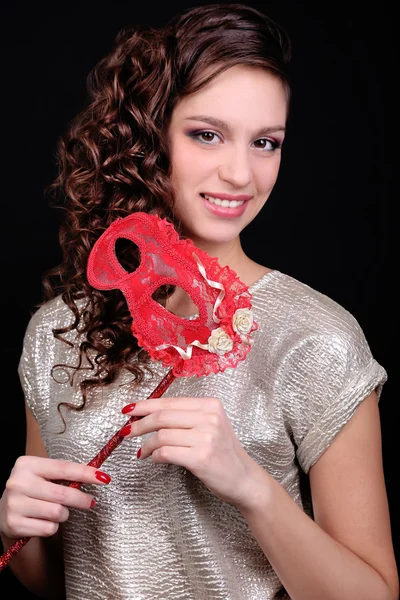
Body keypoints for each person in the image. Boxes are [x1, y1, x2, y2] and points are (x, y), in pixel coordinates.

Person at [0, 3, 397, 599]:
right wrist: (19, 526)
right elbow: (60, 580)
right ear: (149, 134)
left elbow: (373, 593)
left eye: (266, 142)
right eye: (206, 134)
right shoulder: (59, 331)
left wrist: (250, 485)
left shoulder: (316, 340)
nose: (241, 172)